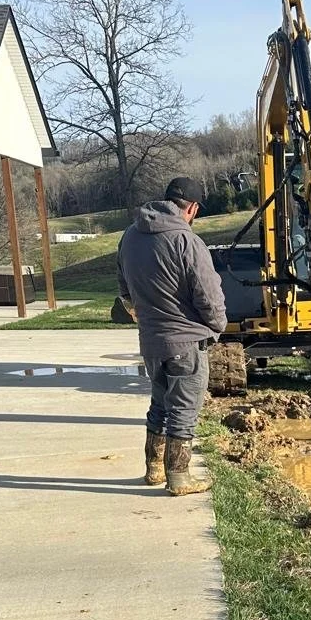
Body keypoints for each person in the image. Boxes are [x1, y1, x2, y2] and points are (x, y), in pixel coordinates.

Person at [116, 177, 228, 495]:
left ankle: (153, 469)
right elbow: (208, 293)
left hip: (151, 340)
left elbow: (123, 287)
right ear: (191, 208)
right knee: (184, 409)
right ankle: (179, 477)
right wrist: (218, 325)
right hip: (185, 341)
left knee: (160, 404)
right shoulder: (186, 241)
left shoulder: (130, 236)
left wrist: (143, 316)